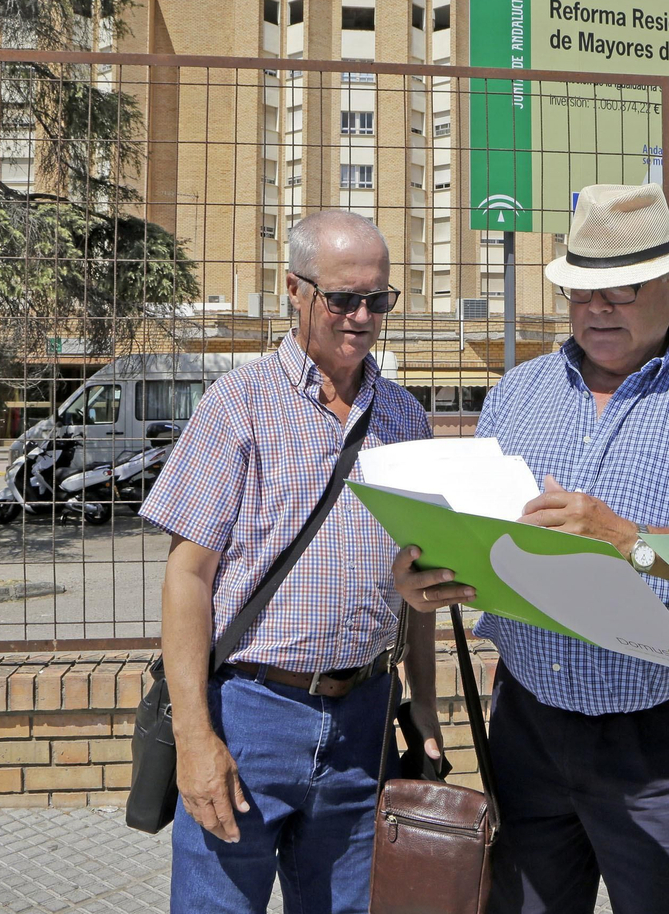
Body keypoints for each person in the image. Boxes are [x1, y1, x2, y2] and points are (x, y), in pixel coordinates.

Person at [394, 183, 669, 914]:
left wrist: (628, 541)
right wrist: (434, 576)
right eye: (581, 292)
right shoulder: (517, 394)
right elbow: (491, 539)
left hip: (662, 739)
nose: (596, 310)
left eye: (620, 290)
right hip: (526, 726)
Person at [143, 210, 442, 914]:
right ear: (295, 290)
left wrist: (423, 703)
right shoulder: (237, 406)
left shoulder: (405, 418)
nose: (362, 317)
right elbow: (188, 577)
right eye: (343, 299)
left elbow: (424, 581)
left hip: (364, 721)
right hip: (249, 716)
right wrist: (195, 738)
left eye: (379, 300)